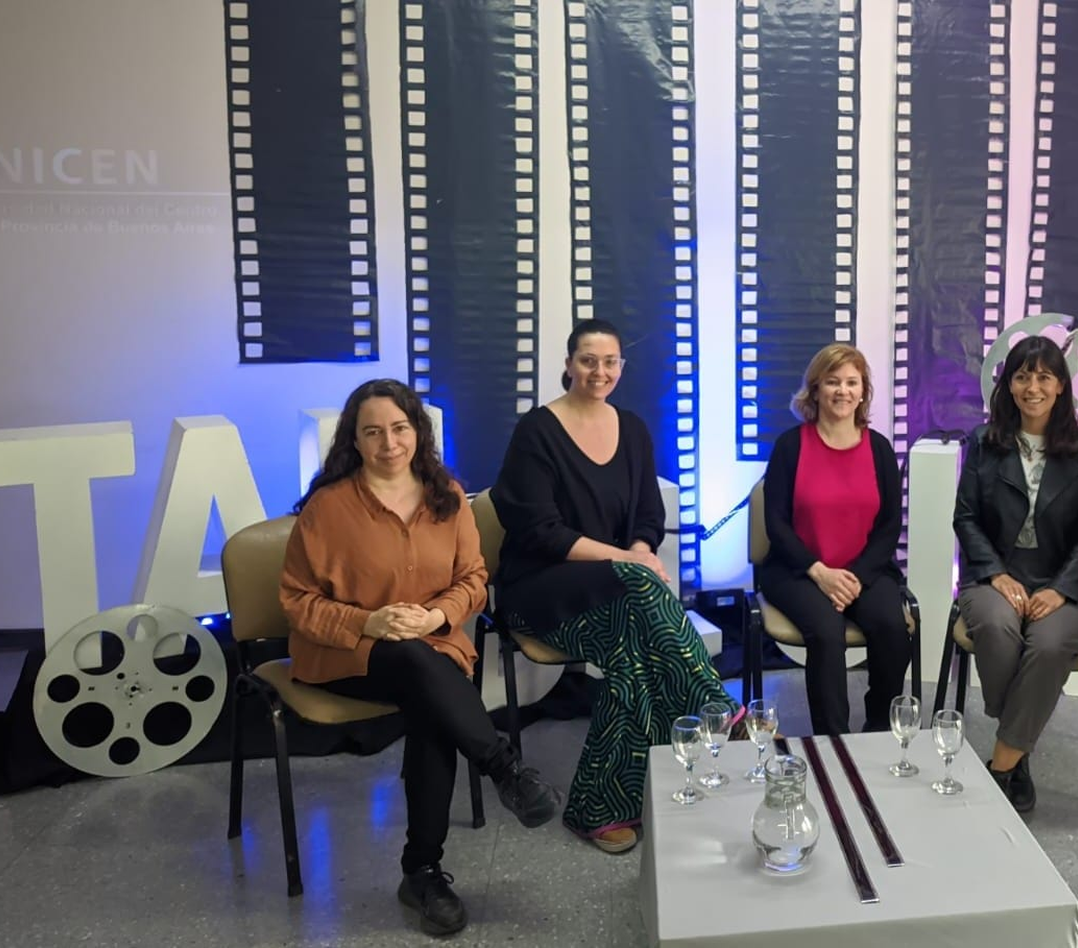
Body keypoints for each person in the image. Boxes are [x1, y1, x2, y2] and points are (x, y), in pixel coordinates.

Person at [280, 378, 557, 937]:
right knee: (416, 666)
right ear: (354, 441)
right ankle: (503, 769)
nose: (389, 443)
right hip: (347, 658)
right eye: (373, 432)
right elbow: (296, 600)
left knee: (430, 698)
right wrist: (367, 622)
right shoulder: (327, 508)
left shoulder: (448, 499)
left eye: (400, 428)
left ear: (418, 431)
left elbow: (474, 580)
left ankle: (422, 872)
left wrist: (436, 617)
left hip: (431, 651)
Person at [492, 319, 739, 855]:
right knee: (637, 588)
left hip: (615, 590)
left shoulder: (633, 429)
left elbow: (649, 517)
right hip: (540, 588)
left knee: (631, 658)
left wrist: (643, 550)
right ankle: (716, 707)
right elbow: (541, 532)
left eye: (609, 362)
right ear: (567, 364)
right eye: (587, 360)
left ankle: (602, 809)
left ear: (621, 369)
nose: (598, 372)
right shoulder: (536, 432)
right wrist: (630, 560)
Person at [953, 334, 1078, 813]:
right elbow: (966, 518)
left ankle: (1002, 763)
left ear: (1061, 386)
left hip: (1070, 583)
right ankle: (1018, 749)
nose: (1032, 387)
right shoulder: (984, 442)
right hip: (995, 577)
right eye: (1023, 376)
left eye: (1044, 376)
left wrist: (1061, 590)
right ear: (1009, 385)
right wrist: (996, 574)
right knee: (998, 629)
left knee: (1046, 645)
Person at [756, 343, 911, 736]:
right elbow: (776, 524)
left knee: (892, 627)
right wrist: (820, 572)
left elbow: (889, 525)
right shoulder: (790, 446)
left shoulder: (879, 449)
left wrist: (855, 576)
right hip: (797, 570)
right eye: (832, 382)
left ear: (863, 392)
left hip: (865, 570)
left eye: (851, 382)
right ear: (815, 389)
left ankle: (879, 730)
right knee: (826, 631)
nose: (842, 391)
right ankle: (833, 742)